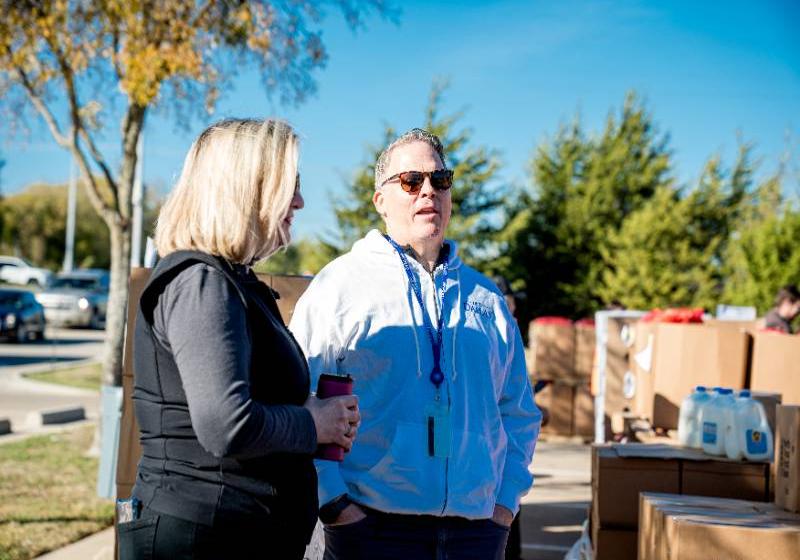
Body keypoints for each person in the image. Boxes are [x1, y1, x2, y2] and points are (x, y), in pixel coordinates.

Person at [290, 128, 541, 560]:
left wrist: (504, 505)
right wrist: (334, 503)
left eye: (440, 180)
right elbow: (301, 399)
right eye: (411, 181)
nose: (428, 191)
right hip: (371, 530)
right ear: (380, 201)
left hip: (476, 534)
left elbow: (517, 412)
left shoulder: (486, 300)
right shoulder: (340, 287)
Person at [119, 118, 360, 560]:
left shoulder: (231, 280)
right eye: (292, 184)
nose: (301, 200)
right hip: (201, 538)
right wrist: (314, 423)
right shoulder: (200, 282)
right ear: (247, 188)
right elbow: (225, 424)